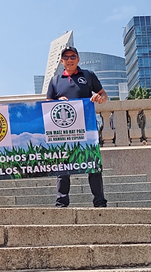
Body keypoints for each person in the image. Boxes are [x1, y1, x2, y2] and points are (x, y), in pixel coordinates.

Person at [46, 46, 108, 207]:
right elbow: (47, 104)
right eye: (66, 57)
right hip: (63, 132)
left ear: (78, 59)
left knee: (93, 166)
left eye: (73, 56)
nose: (69, 59)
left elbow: (103, 94)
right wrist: (57, 102)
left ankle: (100, 202)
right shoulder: (55, 80)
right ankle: (61, 203)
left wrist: (99, 97)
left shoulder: (88, 75)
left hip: (87, 130)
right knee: (63, 169)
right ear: (61, 61)